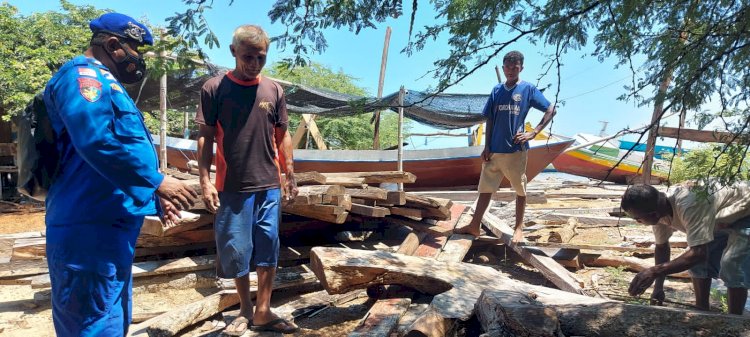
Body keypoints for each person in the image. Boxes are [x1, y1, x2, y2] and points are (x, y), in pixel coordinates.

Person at [42, 12, 197, 336]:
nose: (140, 61)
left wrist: (153, 198)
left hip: (109, 228)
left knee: (111, 321)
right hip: (88, 229)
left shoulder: (106, 82)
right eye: (138, 50)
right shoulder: (82, 77)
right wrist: (157, 181)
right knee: (92, 325)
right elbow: (95, 139)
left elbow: (116, 157)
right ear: (113, 45)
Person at [196, 25, 299, 335]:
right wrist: (204, 179)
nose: (254, 63)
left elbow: (283, 136)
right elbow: (205, 136)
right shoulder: (214, 88)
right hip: (232, 185)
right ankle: (244, 308)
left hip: (268, 184)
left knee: (268, 245)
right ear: (233, 53)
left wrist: (290, 175)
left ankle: (264, 310)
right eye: (248, 57)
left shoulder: (274, 90)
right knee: (237, 249)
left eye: (261, 57)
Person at [455, 50, 557, 243]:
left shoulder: (528, 89)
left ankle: (518, 229)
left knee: (520, 189)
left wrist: (534, 131)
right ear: (503, 68)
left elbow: (551, 109)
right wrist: (486, 146)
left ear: (521, 68)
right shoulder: (496, 90)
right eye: (508, 67)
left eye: (515, 67)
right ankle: (474, 225)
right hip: (494, 150)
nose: (511, 70)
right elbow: (490, 118)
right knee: (485, 188)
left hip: (515, 149)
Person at [622, 183, 750, 314]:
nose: (637, 222)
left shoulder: (689, 205)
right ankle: (702, 313)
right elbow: (662, 248)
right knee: (696, 265)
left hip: (746, 212)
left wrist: (654, 271)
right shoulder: (658, 208)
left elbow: (699, 254)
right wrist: (658, 288)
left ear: (654, 214)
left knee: (733, 265)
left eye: (638, 218)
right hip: (720, 216)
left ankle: (734, 322)